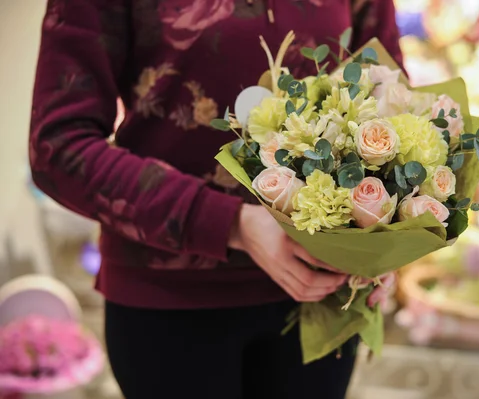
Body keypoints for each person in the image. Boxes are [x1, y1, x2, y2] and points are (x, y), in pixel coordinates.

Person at [29, 1, 404, 397]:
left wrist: (385, 234)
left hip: (326, 300)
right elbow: (58, 147)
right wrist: (230, 224)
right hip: (171, 305)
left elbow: (393, 97)